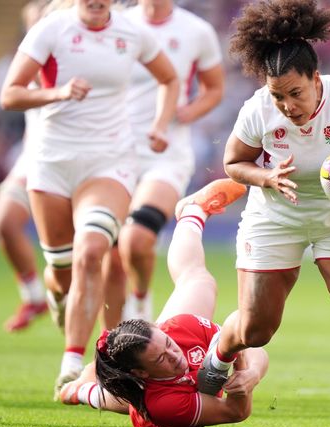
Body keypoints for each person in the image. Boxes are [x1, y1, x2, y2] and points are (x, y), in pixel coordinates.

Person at [197, 1, 330, 427]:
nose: (286, 105)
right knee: (257, 331)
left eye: (295, 93)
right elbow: (234, 162)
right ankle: (220, 352)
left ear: (316, 79)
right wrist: (265, 177)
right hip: (275, 216)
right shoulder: (258, 108)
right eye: (277, 96)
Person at [0, 0, 180, 396]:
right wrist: (59, 93)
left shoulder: (132, 32)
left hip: (110, 161)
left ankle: (71, 364)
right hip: (52, 163)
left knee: (92, 250)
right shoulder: (51, 28)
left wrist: (161, 123)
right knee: (62, 272)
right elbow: (9, 95)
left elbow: (169, 77)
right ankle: (55, 293)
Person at [59, 178, 269, 427]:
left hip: (150, 370)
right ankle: (81, 390)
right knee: (120, 398)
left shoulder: (179, 330)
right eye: (162, 358)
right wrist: (241, 376)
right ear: (143, 372)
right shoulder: (162, 403)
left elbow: (247, 341)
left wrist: (251, 372)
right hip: (156, 403)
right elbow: (235, 412)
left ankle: (192, 212)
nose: (175, 355)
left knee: (198, 281)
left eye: (168, 344)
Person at [102, 0, 225, 327]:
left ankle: (140, 300)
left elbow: (214, 88)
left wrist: (189, 112)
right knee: (110, 261)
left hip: (166, 153)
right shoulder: (117, 23)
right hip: (114, 152)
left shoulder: (196, 30)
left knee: (136, 240)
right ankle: (109, 348)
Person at [0, 0, 48, 333]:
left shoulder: (80, 60)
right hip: (32, 159)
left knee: (82, 261)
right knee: (4, 220)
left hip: (79, 164)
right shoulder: (23, 67)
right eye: (32, 28)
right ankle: (33, 296)